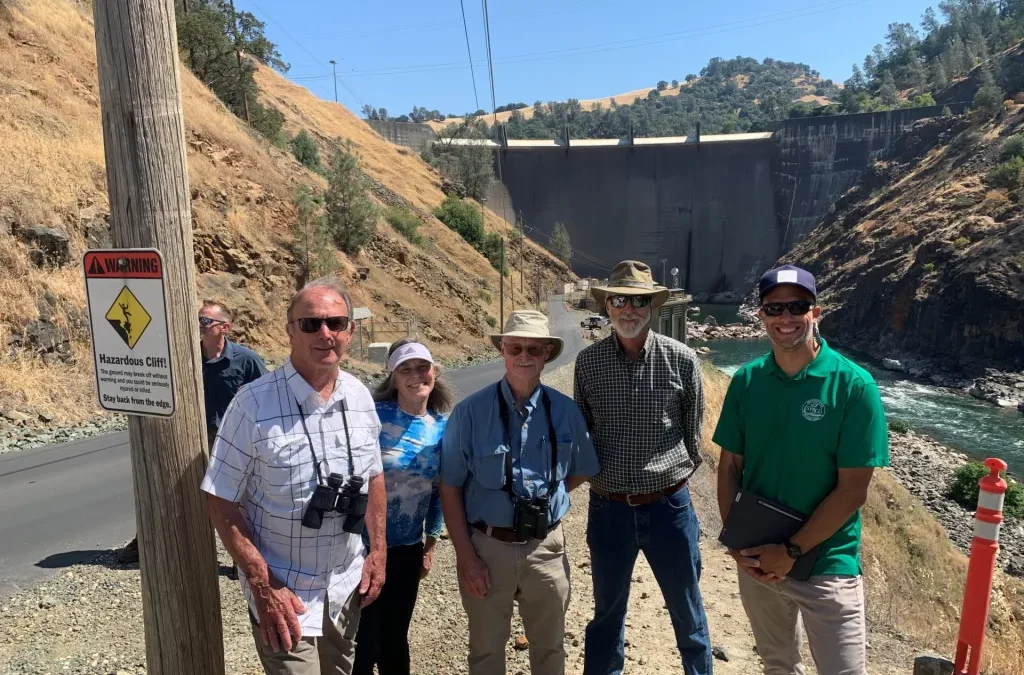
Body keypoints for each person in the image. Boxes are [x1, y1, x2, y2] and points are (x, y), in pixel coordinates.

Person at [201, 277, 387, 675]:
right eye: (310, 324)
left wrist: (378, 552)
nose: (325, 333)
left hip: (343, 589)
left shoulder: (359, 397)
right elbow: (219, 498)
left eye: (336, 323)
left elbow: (374, 478)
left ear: (350, 331)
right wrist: (262, 584)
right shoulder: (252, 405)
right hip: (284, 595)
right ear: (289, 331)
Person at [713, 264, 889, 675]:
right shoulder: (746, 381)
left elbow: (853, 492)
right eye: (774, 309)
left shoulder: (854, 386)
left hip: (827, 562)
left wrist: (790, 551)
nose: (786, 318)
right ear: (761, 316)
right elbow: (729, 466)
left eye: (797, 306)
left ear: (816, 312)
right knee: (778, 666)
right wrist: (736, 543)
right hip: (757, 559)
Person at [440, 310, 600, 675]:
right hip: (487, 548)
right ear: (502, 350)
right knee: (485, 652)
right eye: (515, 347)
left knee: (550, 650)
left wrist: (548, 499)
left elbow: (582, 470)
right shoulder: (469, 413)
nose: (524, 356)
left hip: (546, 549)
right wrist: (467, 558)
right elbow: (450, 488)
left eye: (533, 348)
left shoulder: (565, 411)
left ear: (546, 353)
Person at [574, 260, 712, 675]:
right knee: (606, 617)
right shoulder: (588, 364)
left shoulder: (683, 360)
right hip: (608, 510)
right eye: (619, 300)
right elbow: (584, 432)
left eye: (638, 301)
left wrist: (669, 483)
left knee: (688, 614)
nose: (628, 309)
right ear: (608, 307)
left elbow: (693, 438)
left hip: (668, 508)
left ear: (651, 306)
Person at [117, 299, 266, 566]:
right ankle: (146, 544)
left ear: (225, 327)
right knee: (175, 488)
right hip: (191, 433)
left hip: (234, 438)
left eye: (206, 321)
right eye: (198, 319)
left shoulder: (247, 360)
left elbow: (264, 398)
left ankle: (241, 559)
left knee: (238, 495)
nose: (199, 325)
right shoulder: (184, 357)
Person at [353, 338, 454, 675]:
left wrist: (431, 543)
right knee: (363, 641)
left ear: (434, 373)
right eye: (405, 369)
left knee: (395, 637)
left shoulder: (443, 428)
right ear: (392, 377)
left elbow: (439, 492)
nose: (415, 376)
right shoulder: (373, 415)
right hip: (361, 547)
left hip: (407, 549)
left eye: (422, 368)